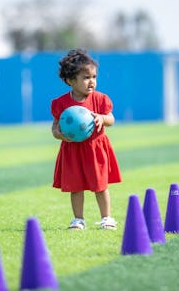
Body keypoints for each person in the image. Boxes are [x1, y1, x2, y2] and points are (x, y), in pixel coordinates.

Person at [51, 49, 122, 230]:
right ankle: (78, 219)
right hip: (72, 150)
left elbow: (111, 119)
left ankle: (106, 218)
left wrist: (101, 118)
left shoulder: (99, 99)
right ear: (70, 81)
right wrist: (59, 134)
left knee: (100, 185)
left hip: (95, 149)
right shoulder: (61, 103)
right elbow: (55, 127)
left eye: (94, 77)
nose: (92, 82)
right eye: (86, 77)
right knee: (76, 186)